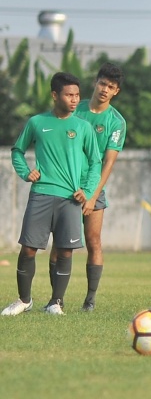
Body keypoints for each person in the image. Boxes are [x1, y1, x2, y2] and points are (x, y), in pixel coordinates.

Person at [2, 72, 102, 316]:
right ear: (55, 95)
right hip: (41, 194)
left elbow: (96, 162)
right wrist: (26, 172)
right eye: (69, 94)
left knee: (65, 251)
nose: (75, 99)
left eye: (77, 95)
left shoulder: (83, 127)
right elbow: (17, 151)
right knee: (28, 248)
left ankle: (55, 302)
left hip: (70, 198)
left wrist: (87, 191)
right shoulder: (37, 122)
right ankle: (24, 300)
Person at [47, 62, 126, 312]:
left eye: (111, 87)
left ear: (116, 92)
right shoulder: (74, 109)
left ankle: (90, 300)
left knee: (93, 241)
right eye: (103, 83)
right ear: (96, 82)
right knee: (59, 245)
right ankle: (55, 300)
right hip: (65, 186)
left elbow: (108, 163)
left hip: (93, 189)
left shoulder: (116, 122)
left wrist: (92, 196)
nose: (105, 89)